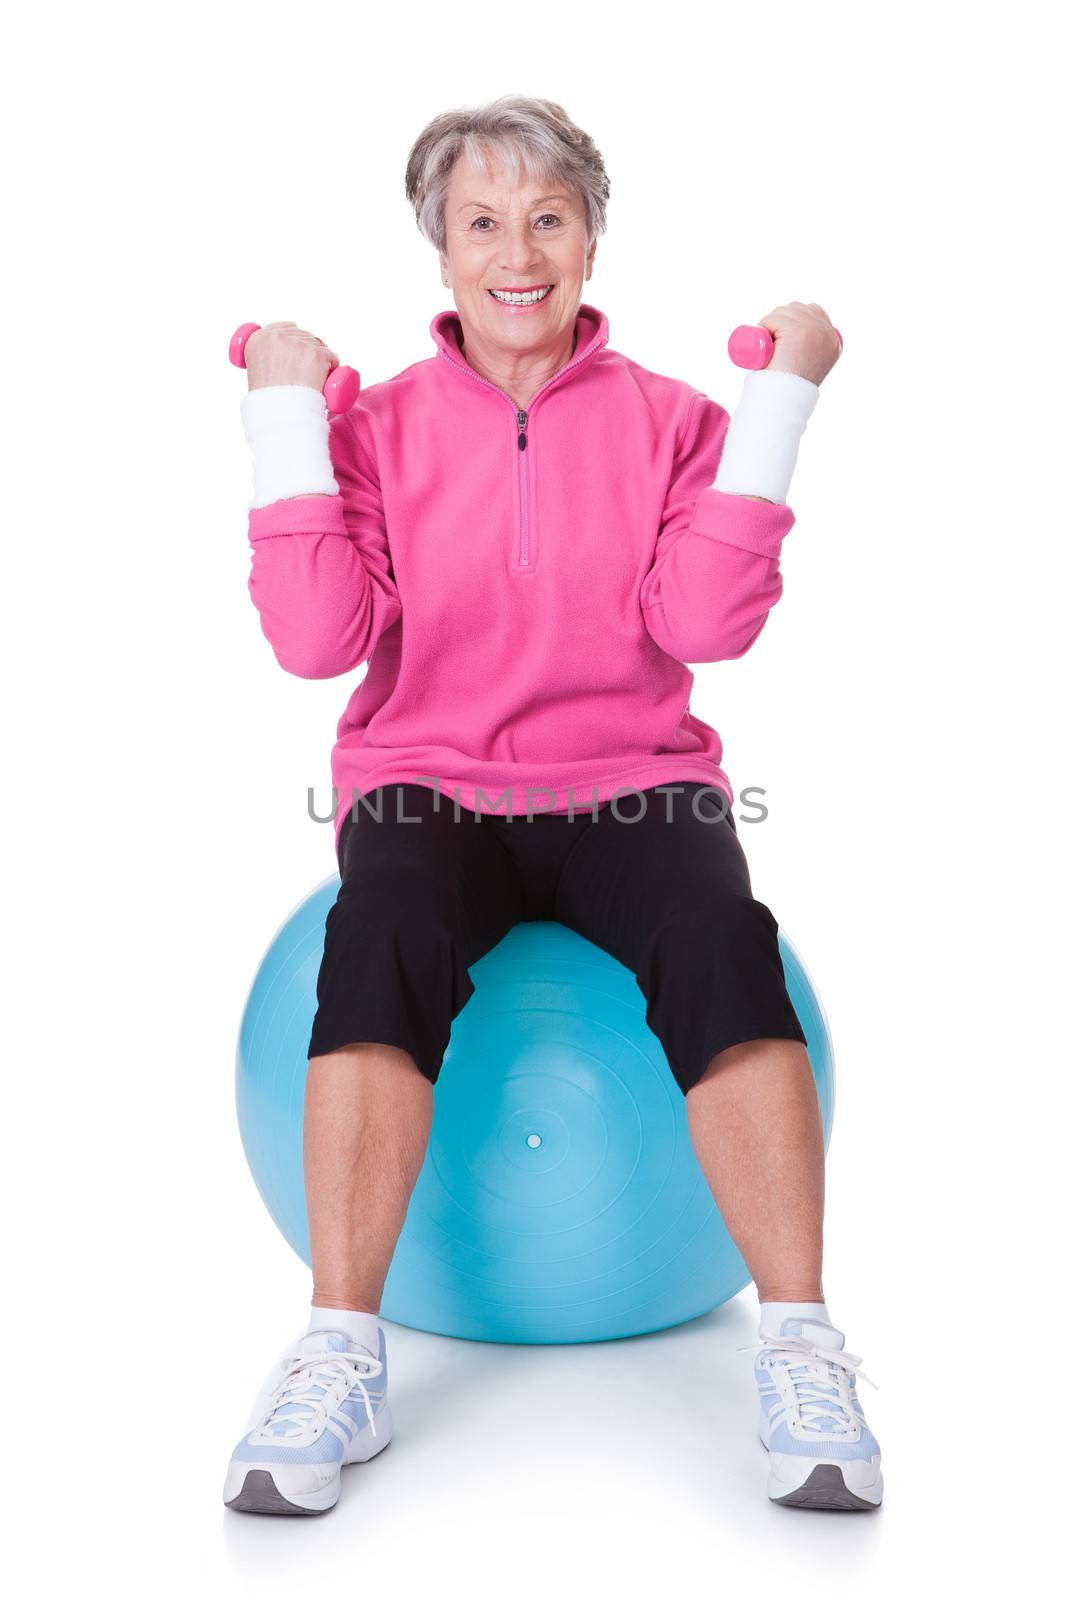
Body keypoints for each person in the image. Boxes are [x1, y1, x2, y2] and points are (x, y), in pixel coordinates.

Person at [223, 94, 882, 1518]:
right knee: (383, 926)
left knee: (722, 940)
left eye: (548, 217)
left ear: (589, 239)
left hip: (633, 784)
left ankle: (803, 1351)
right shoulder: (380, 430)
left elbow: (706, 622)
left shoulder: (671, 421)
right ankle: (341, 1351)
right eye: (481, 221)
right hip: (430, 782)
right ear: (440, 252)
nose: (517, 252)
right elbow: (318, 640)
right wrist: (283, 415)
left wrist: (781, 408)